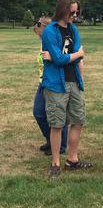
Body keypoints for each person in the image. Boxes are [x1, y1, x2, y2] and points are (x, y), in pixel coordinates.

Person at [42, 0, 91, 178]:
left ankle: (72, 159)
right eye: (72, 11)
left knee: (78, 121)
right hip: (56, 84)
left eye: (77, 11)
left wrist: (73, 56)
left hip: (74, 82)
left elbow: (73, 56)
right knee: (57, 124)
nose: (75, 15)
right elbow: (61, 58)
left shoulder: (74, 30)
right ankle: (55, 163)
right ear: (63, 10)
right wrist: (76, 54)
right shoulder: (50, 32)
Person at [33, 16, 68, 155]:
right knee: (39, 113)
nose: (38, 35)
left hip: (56, 82)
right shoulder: (43, 41)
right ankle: (51, 140)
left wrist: (53, 57)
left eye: (38, 31)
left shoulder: (58, 40)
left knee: (58, 116)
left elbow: (66, 58)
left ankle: (61, 146)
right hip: (43, 82)